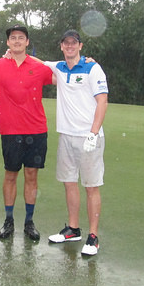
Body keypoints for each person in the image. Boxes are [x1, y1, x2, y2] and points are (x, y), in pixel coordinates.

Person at [0, 24, 54, 241]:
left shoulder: (39, 67)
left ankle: (29, 222)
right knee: (11, 175)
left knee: (31, 175)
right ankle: (9, 220)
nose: (16, 41)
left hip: (37, 130)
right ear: (7, 42)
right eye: (13, 38)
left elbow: (64, 75)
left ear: (27, 42)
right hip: (11, 131)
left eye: (21, 37)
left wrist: (86, 62)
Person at [45, 30, 108, 256]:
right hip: (66, 135)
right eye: (66, 43)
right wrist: (9, 54)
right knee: (69, 182)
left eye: (74, 43)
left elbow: (102, 101)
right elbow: (32, 61)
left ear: (80, 46)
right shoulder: (59, 67)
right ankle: (73, 229)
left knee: (91, 186)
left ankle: (93, 236)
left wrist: (93, 133)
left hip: (88, 137)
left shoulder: (93, 68)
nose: (70, 46)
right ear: (61, 46)